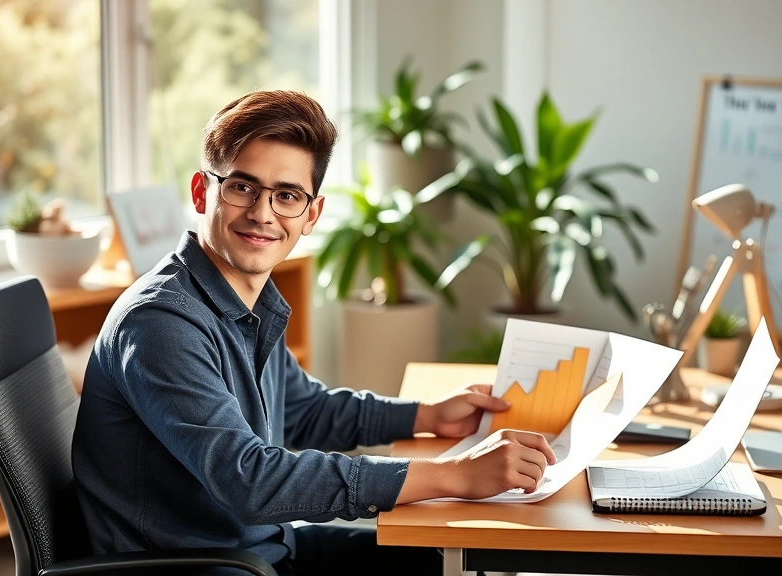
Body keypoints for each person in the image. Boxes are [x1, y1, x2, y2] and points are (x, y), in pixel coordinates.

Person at [71, 90, 556, 576]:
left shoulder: (247, 299)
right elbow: (251, 482)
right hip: (195, 566)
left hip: (262, 551)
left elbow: (304, 409)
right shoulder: (160, 323)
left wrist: (426, 415)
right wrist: (453, 475)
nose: (263, 213)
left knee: (456, 562)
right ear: (202, 192)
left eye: (286, 196)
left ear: (311, 215)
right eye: (242, 187)